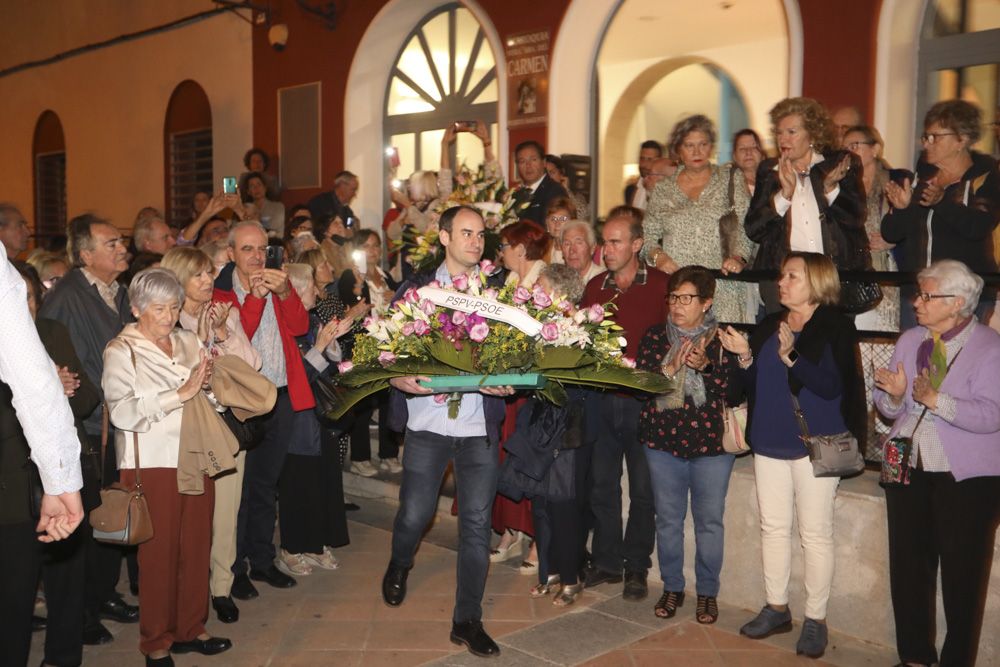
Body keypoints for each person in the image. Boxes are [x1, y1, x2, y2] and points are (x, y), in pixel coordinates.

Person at [381, 205, 513, 658]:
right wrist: (397, 377)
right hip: (428, 424)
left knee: (476, 526)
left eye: (480, 234)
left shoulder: (498, 296)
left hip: (478, 427)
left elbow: (517, 352)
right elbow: (385, 349)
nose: (475, 241)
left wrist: (508, 378)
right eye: (466, 232)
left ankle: (467, 620)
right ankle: (400, 562)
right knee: (415, 515)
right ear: (443, 237)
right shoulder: (418, 291)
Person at [718, 252, 866, 659]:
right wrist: (744, 355)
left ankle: (815, 619)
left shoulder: (835, 326)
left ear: (817, 281)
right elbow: (750, 385)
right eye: (782, 275)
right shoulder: (771, 323)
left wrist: (792, 357)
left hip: (812, 446)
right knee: (773, 528)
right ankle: (776, 607)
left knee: (815, 534)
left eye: (791, 276)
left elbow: (831, 387)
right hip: (768, 441)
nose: (781, 282)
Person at [873, 259, 1000, 667]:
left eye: (927, 296)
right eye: (918, 294)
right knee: (908, 568)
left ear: (958, 302)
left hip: (965, 478)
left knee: (963, 576)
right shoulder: (910, 340)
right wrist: (894, 395)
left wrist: (935, 400)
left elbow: (991, 414)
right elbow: (890, 408)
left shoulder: (990, 347)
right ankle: (914, 658)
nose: (917, 302)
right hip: (907, 466)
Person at [103, 268, 232, 665]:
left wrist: (213, 393)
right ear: (137, 307)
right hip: (151, 463)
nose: (168, 316)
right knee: (158, 555)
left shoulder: (189, 340)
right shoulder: (120, 350)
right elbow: (122, 411)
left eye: (174, 306)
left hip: (195, 455)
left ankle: (191, 628)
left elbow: (209, 398)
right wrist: (180, 393)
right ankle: (155, 640)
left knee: (196, 546)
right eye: (158, 307)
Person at [38, 213, 139, 645]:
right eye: (111, 242)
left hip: (117, 421)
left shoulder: (117, 291)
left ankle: (102, 595)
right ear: (85, 254)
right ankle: (80, 613)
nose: (121, 247)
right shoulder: (67, 297)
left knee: (109, 518)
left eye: (121, 241)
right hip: (89, 427)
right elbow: (64, 365)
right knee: (85, 525)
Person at [161, 246, 261, 624]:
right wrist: (201, 340)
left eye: (209, 273)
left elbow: (253, 364)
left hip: (226, 425)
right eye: (199, 275)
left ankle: (221, 586)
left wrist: (221, 332)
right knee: (187, 515)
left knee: (226, 513)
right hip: (184, 431)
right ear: (178, 279)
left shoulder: (225, 312)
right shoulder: (164, 322)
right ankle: (187, 589)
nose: (208, 281)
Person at [213, 221, 313, 600]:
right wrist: (254, 298)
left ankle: (262, 558)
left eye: (262, 249)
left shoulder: (277, 284)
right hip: (244, 402)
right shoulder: (221, 295)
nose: (257, 257)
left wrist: (286, 293)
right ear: (231, 254)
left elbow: (301, 326)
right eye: (248, 249)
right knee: (239, 489)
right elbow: (241, 340)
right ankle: (234, 568)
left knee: (266, 485)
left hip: (282, 395)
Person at [636, 265, 739, 624]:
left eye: (686, 298)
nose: (677, 305)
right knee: (668, 520)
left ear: (706, 302)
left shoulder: (725, 340)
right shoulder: (654, 337)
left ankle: (707, 593)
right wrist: (669, 369)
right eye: (673, 297)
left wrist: (708, 367)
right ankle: (672, 586)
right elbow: (640, 385)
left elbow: (737, 390)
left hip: (711, 447)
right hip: (663, 443)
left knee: (709, 522)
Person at [580, 205, 669, 601]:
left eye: (615, 242)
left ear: (637, 244)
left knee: (644, 490)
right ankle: (606, 561)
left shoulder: (664, 285)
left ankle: (636, 567)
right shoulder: (595, 287)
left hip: (644, 402)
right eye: (604, 242)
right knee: (601, 485)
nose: (606, 249)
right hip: (601, 400)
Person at [0, 255, 85, 667]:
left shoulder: (50, 333)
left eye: (32, 298)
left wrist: (60, 477)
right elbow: (31, 388)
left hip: (29, 488)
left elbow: (83, 395)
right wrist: (61, 477)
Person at [882, 100, 1000, 329]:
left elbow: (978, 226)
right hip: (920, 294)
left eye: (936, 137)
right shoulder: (922, 176)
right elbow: (891, 233)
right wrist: (902, 208)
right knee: (919, 361)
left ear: (962, 139)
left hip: (965, 298)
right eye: (926, 137)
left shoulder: (986, 175)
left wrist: (941, 201)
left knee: (960, 362)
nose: (927, 144)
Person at [745, 97, 867, 314]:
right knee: (784, 343)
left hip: (831, 277)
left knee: (829, 344)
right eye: (780, 132)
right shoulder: (769, 171)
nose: (784, 139)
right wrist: (785, 194)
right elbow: (754, 229)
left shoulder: (840, 163)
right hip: (784, 282)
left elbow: (856, 218)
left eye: (792, 132)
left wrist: (830, 189)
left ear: (812, 133)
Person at [275, 263, 352, 577]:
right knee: (297, 485)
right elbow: (297, 375)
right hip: (296, 419)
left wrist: (331, 342)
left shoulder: (309, 319)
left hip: (320, 417)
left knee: (323, 482)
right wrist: (320, 346)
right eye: (311, 288)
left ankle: (317, 543)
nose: (318, 293)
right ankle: (291, 549)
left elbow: (327, 364)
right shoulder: (281, 322)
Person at [643, 115, 754, 323]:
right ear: (678, 149)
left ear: (711, 146)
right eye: (689, 145)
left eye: (703, 144)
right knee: (682, 351)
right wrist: (659, 257)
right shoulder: (663, 189)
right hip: (679, 291)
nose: (697, 152)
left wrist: (739, 257)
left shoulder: (729, 178)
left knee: (724, 348)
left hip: (722, 285)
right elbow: (647, 237)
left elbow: (745, 226)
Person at [335, 231, 402, 475]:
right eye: (367, 246)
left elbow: (404, 302)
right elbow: (347, 305)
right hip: (362, 343)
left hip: (388, 344)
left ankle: (389, 452)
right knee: (363, 402)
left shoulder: (386, 276)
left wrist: (395, 298)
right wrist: (356, 284)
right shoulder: (349, 275)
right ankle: (360, 456)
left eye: (376, 246)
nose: (373, 250)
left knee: (388, 400)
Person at [844, 125, 905, 332]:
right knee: (859, 335)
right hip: (855, 270)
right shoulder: (841, 185)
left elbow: (915, 223)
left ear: (875, 148)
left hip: (888, 267)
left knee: (884, 334)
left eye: (855, 145)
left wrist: (893, 239)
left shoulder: (897, 179)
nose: (849, 152)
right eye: (845, 147)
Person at [511, 141, 568, 226]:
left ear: (544, 162)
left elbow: (557, 227)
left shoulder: (555, 191)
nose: (528, 165)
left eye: (533, 160)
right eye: (522, 161)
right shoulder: (516, 194)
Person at [499, 220, 550, 288]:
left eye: (503, 246)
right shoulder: (513, 277)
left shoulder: (545, 283)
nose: (500, 253)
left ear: (520, 250)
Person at [242, 172, 285, 239]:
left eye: (259, 184)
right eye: (252, 186)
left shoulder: (277, 207)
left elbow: (277, 232)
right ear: (248, 191)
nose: (256, 188)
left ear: (265, 188)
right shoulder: (245, 208)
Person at [545, 155, 589, 220]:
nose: (548, 177)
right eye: (545, 174)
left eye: (552, 173)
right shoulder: (540, 194)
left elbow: (580, 216)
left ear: (561, 174)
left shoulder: (577, 197)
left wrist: (566, 190)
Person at [559, 220, 603, 284]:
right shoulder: (558, 280)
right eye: (567, 244)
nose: (572, 250)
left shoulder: (602, 280)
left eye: (579, 243)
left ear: (592, 248)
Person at [625, 140, 664, 209]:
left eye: (650, 159)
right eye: (642, 158)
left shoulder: (665, 190)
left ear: (659, 161)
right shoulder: (631, 189)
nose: (644, 164)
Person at [542, 197, 575, 264]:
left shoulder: (578, 249)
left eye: (563, 219)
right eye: (553, 219)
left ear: (573, 221)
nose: (557, 223)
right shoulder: (543, 249)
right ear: (547, 223)